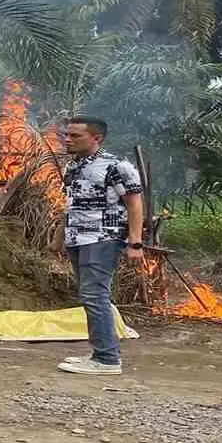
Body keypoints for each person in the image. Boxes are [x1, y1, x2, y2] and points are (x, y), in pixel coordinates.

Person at [57, 117, 144, 376]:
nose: (68, 140)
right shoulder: (72, 167)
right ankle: (99, 353)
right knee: (89, 296)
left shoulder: (116, 166)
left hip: (102, 238)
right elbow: (71, 205)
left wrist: (135, 242)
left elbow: (134, 204)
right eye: (67, 135)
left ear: (97, 138)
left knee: (95, 296)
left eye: (76, 136)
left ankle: (107, 359)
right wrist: (58, 237)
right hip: (78, 239)